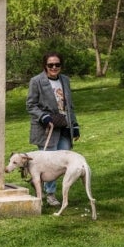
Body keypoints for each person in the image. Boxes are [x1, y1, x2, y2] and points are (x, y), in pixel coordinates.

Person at [26, 51, 80, 206]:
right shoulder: (36, 81)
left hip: (64, 126)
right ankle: (50, 195)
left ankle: (41, 183)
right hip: (47, 128)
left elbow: (69, 106)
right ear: (45, 66)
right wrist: (43, 116)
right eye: (51, 65)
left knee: (62, 162)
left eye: (57, 64)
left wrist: (75, 125)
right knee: (49, 162)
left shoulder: (65, 80)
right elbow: (30, 105)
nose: (54, 67)